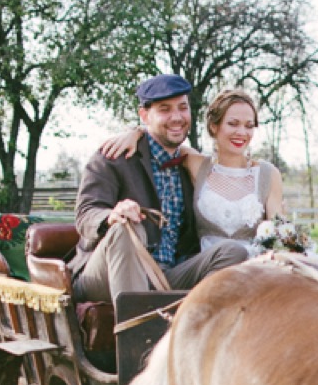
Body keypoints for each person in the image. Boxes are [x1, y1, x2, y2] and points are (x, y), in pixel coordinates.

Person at [70, 74, 250, 303]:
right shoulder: (114, 156)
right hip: (107, 272)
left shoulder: (191, 164)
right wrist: (112, 215)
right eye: (165, 109)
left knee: (233, 252)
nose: (177, 117)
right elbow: (86, 213)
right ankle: (137, 335)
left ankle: (197, 326)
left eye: (182, 108)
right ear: (144, 115)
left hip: (167, 274)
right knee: (125, 227)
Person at [97, 87, 284, 258]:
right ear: (214, 126)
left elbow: (279, 234)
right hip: (210, 267)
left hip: (255, 267)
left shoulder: (267, 174)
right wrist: (136, 132)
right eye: (233, 124)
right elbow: (162, 140)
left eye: (249, 125)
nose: (241, 132)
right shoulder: (197, 164)